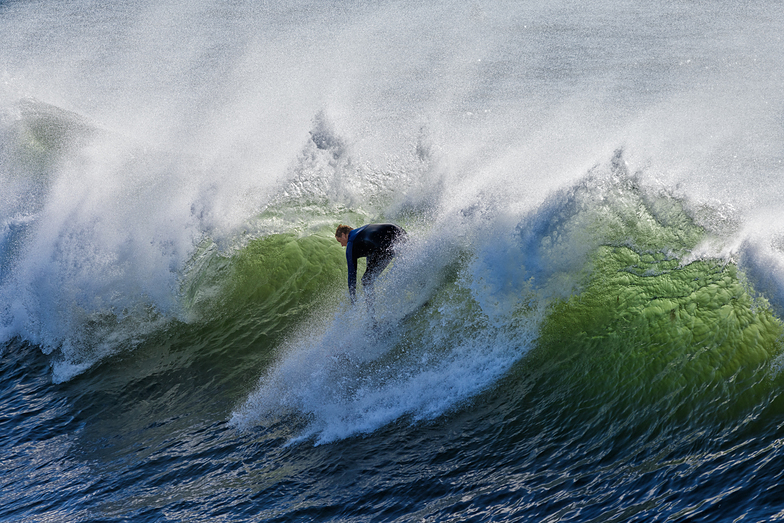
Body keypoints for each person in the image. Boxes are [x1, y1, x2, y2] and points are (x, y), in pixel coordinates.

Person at [335, 223, 407, 307]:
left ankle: (371, 316)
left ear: (343, 235)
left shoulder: (351, 243)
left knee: (366, 280)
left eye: (340, 241)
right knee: (408, 262)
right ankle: (422, 289)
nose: (342, 245)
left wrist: (353, 299)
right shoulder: (363, 232)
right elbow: (371, 259)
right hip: (399, 232)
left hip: (384, 242)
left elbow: (352, 275)